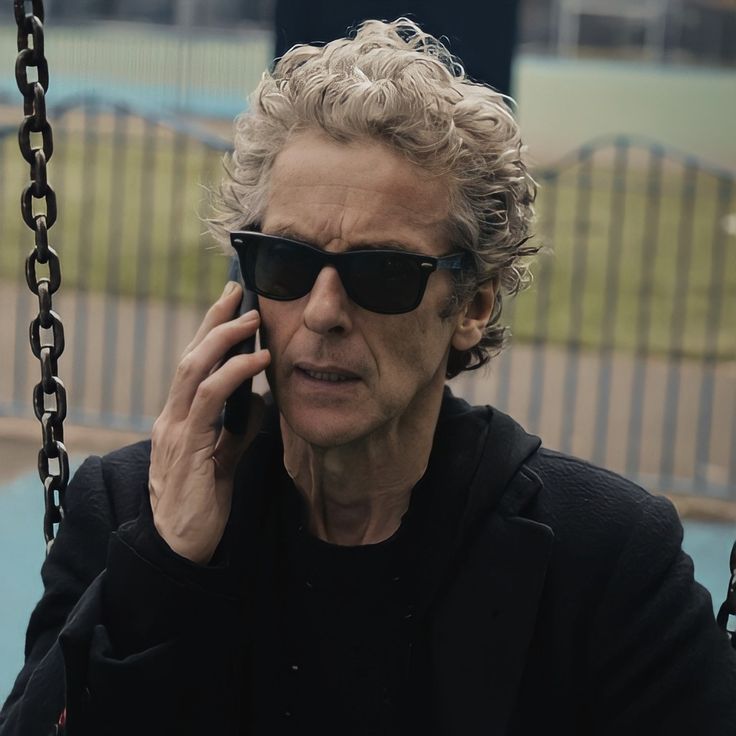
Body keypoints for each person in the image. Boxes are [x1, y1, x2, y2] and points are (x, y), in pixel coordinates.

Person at [1, 17, 735, 736]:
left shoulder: (607, 561)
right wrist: (164, 568)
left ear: (472, 305)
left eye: (383, 273)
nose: (323, 311)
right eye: (286, 262)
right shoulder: (129, 511)